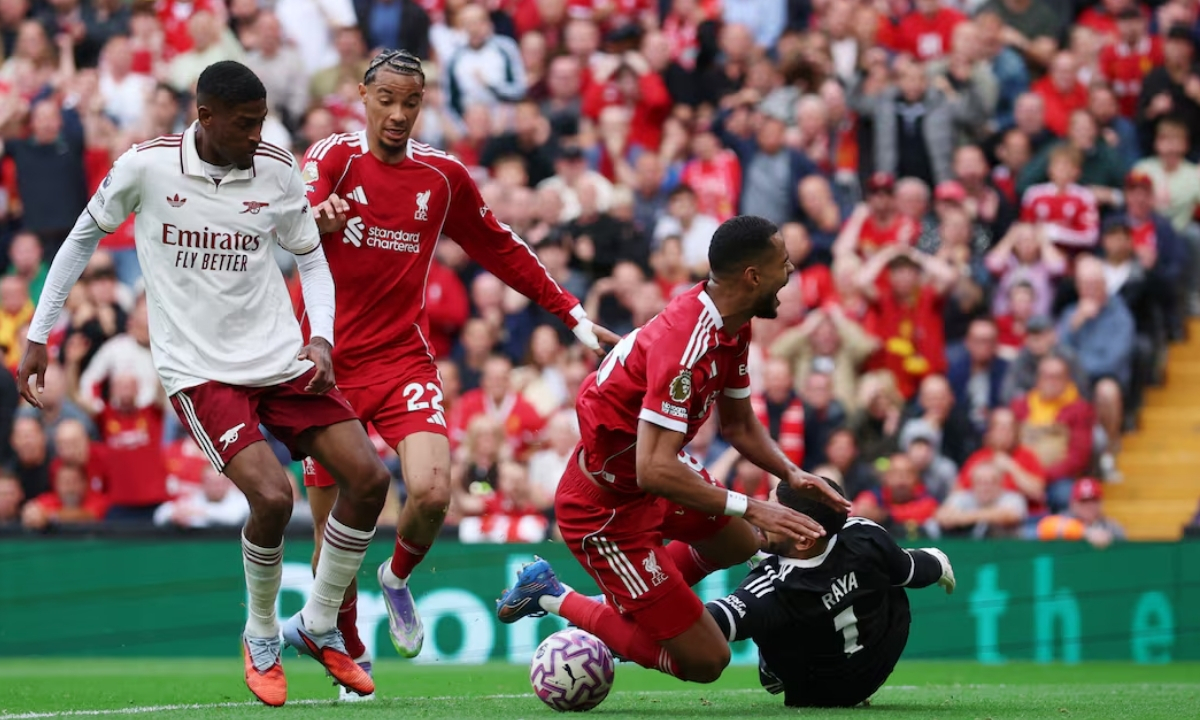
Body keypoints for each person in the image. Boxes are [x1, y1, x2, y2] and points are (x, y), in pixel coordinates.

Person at [17, 61, 390, 708]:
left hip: (280, 356)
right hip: (200, 368)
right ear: (204, 116)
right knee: (271, 499)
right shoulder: (146, 166)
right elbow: (80, 241)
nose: (257, 133)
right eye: (245, 124)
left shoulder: (275, 168)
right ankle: (262, 634)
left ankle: (321, 622)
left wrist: (321, 335)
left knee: (370, 480)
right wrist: (37, 334)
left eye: (262, 120)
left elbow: (310, 254)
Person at [296, 49, 618, 683]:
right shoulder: (331, 158)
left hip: (402, 360)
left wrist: (573, 316)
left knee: (435, 491)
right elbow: (285, 221)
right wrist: (313, 219)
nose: (397, 114)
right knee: (333, 531)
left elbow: (501, 247)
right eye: (385, 99)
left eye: (410, 102)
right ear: (362, 96)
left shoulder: (441, 177)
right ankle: (354, 658)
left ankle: (397, 577)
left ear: (423, 104)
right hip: (327, 363)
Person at [496, 215, 850, 684]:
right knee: (707, 662)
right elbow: (653, 469)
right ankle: (553, 594)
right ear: (753, 276)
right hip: (606, 510)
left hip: (650, 472)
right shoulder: (686, 346)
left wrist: (790, 473)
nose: (791, 273)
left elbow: (740, 425)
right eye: (784, 264)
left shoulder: (731, 323)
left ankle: (639, 614)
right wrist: (754, 507)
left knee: (739, 541)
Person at [704, 480, 955, 708]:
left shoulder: (769, 588)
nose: (760, 512)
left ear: (803, 541)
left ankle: (771, 668)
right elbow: (914, 569)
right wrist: (939, 560)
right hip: (878, 663)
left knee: (766, 611)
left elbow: (704, 624)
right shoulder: (864, 534)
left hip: (812, 695)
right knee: (887, 570)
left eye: (773, 512)